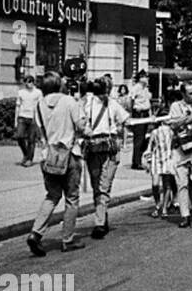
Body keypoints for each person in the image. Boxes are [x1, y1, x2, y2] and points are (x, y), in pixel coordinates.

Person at [24, 72, 88, 255]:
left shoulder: (38, 105)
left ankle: (36, 233)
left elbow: (38, 131)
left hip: (48, 156)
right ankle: (67, 239)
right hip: (70, 154)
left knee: (52, 196)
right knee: (72, 198)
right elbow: (81, 127)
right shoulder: (69, 101)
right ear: (59, 84)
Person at [82, 76, 130, 240]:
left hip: (110, 148)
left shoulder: (112, 104)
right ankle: (102, 216)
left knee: (104, 185)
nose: (106, 95)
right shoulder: (86, 104)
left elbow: (125, 119)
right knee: (97, 184)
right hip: (93, 148)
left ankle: (99, 223)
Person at [166, 82, 192, 228]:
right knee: (181, 183)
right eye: (191, 93)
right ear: (183, 94)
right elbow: (175, 124)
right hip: (180, 148)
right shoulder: (176, 106)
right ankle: (185, 215)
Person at [144, 114, 178, 219]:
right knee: (156, 184)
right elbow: (150, 146)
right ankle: (158, 204)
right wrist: (148, 159)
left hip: (167, 158)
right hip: (157, 158)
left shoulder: (172, 132)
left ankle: (163, 207)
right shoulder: (155, 132)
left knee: (166, 184)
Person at [14, 75, 42, 166]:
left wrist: (39, 120)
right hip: (22, 116)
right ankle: (26, 154)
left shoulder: (38, 92)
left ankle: (29, 159)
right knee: (19, 136)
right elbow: (17, 106)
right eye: (26, 81)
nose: (28, 84)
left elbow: (40, 106)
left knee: (31, 140)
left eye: (30, 81)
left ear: (33, 82)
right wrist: (16, 119)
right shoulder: (21, 92)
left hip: (33, 117)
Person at [129, 70, 152, 170]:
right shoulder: (136, 88)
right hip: (139, 114)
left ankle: (139, 158)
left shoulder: (145, 89)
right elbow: (131, 100)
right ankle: (136, 162)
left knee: (143, 138)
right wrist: (131, 113)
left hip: (145, 113)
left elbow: (147, 102)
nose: (147, 79)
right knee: (139, 138)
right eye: (145, 77)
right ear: (140, 78)